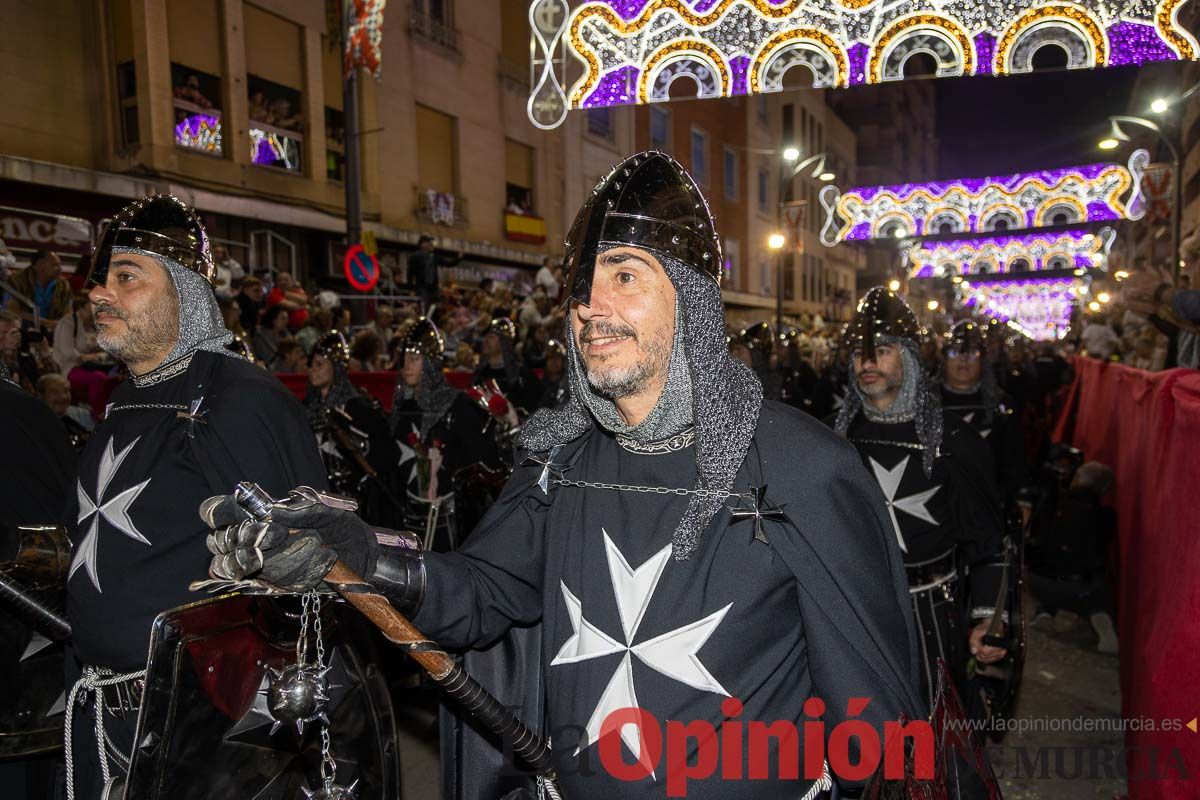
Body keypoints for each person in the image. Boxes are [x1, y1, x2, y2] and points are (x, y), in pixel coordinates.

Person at [203, 152, 924, 799]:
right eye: (582, 285)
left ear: (693, 302)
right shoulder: (560, 461)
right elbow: (481, 593)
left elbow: (878, 726)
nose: (589, 307)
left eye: (625, 276)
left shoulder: (802, 467)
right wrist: (361, 557)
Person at [65, 194, 330, 800]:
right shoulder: (123, 403)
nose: (100, 293)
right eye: (100, 280)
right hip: (103, 711)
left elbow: (300, 584)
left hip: (205, 731)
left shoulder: (238, 399)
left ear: (184, 292)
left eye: (126, 277)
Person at [828, 287, 1008, 712]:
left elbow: (987, 540)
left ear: (908, 358)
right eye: (858, 354)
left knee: (935, 723)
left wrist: (988, 618)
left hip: (934, 610)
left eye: (882, 351)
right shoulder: (832, 440)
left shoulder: (953, 441)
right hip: (857, 607)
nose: (866, 363)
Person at [305, 331, 401, 527]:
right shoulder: (306, 408)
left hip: (353, 500)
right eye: (311, 365)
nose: (312, 370)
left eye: (319, 364)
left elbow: (384, 455)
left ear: (336, 367)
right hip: (318, 493)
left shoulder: (360, 409)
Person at [939, 320, 1033, 509]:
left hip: (989, 503)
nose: (963, 360)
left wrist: (1021, 499)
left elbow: (1014, 458)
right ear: (944, 359)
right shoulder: (927, 402)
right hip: (939, 502)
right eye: (955, 352)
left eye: (972, 353)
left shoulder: (1001, 405)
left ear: (982, 359)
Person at [472, 316, 542, 414]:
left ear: (504, 342)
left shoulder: (522, 375)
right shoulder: (480, 375)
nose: (486, 341)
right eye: (485, 337)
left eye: (491, 337)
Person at [5, 250, 72, 330]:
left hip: (55, 330)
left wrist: (59, 324)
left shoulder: (63, 285)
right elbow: (11, 310)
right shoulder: (16, 281)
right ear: (40, 265)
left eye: (59, 265)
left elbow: (68, 312)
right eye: (55, 265)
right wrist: (43, 322)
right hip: (22, 328)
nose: (60, 269)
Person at [36, 371, 92, 450]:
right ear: (41, 396)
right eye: (55, 392)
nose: (63, 396)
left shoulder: (82, 414)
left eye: (66, 390)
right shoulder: (36, 425)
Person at [408, 235, 460, 314]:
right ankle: (423, 319)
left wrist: (459, 258)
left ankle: (432, 320)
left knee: (435, 307)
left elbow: (448, 263)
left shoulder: (434, 257)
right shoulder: (415, 256)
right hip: (422, 286)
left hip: (433, 287)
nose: (431, 245)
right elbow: (410, 273)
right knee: (424, 306)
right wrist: (411, 289)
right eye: (429, 243)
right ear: (422, 244)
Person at [534, 336, 568, 409]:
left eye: (558, 358)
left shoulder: (566, 385)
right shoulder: (538, 384)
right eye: (551, 358)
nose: (554, 362)